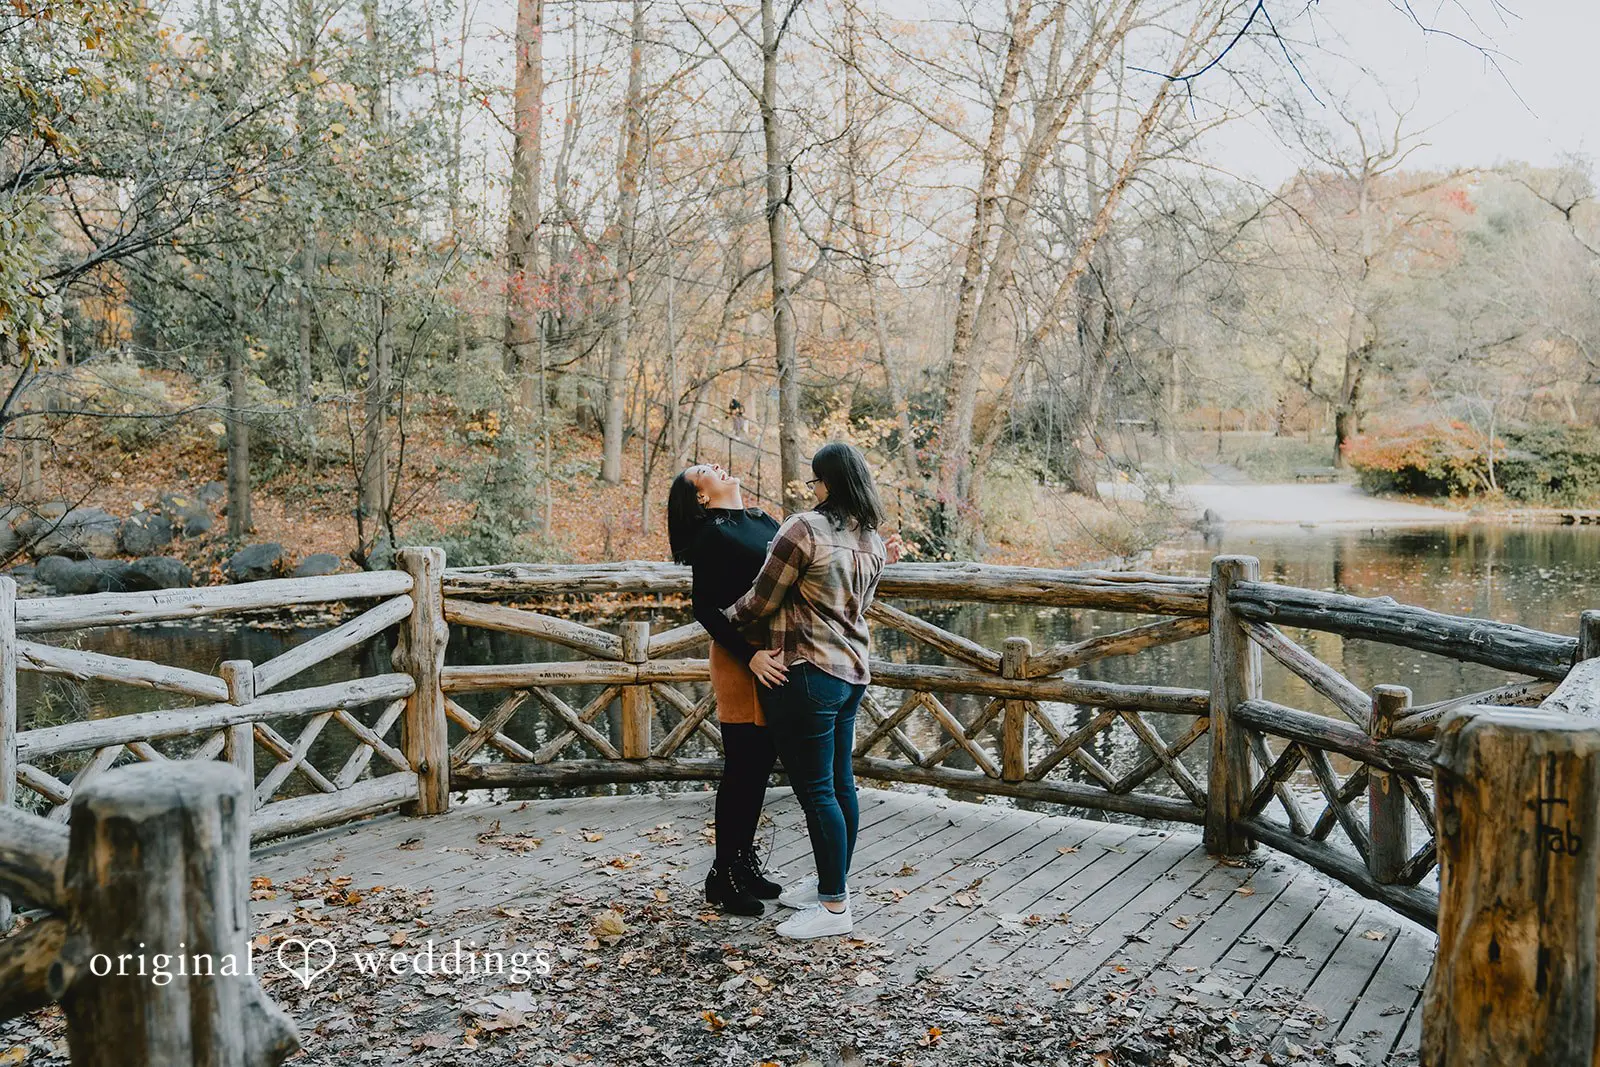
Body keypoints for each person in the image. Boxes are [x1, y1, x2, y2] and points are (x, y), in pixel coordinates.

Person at [725, 442, 902, 940]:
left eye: (814, 480)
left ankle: (832, 906)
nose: (812, 488)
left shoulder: (803, 528)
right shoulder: (869, 537)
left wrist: (724, 622)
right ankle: (834, 883)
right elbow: (861, 605)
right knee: (840, 784)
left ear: (828, 482)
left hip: (804, 672)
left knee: (818, 790)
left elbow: (760, 601)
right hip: (850, 674)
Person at [667, 462, 784, 916]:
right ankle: (722, 875)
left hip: (775, 655)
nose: (716, 465)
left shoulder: (761, 521)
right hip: (740, 658)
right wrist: (748, 655)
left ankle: (744, 864)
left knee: (762, 766)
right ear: (700, 496)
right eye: (703, 470)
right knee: (741, 766)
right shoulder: (713, 535)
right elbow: (705, 608)